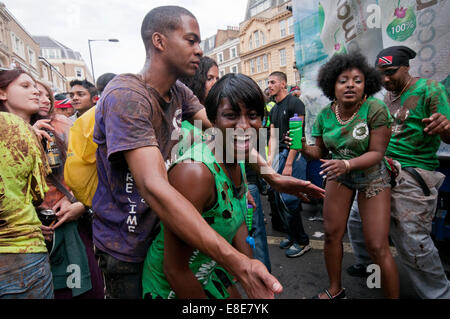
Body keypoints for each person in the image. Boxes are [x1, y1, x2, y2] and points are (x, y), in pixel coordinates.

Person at [93, 5, 324, 299]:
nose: (200, 51)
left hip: (163, 233)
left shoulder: (178, 92)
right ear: (159, 41)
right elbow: (153, 186)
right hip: (126, 246)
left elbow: (228, 132)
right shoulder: (126, 96)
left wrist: (272, 177)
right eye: (191, 41)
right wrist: (236, 261)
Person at [142, 73, 270, 298]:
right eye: (231, 116)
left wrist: (252, 272)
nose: (244, 126)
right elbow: (174, 270)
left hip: (209, 272)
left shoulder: (236, 156)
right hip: (173, 288)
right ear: (213, 120)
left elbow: (236, 218)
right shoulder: (195, 173)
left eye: (253, 115)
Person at [348, 46, 450, 298]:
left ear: (406, 67)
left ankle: (438, 294)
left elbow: (447, 132)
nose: (385, 79)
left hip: (413, 173)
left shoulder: (430, 89)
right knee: (356, 220)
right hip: (379, 169)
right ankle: (368, 266)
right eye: (380, 73)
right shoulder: (384, 97)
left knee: (412, 240)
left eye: (391, 72)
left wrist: (446, 127)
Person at [301, 51, 399, 299]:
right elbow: (319, 151)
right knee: (332, 235)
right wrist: (302, 146)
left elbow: (377, 153)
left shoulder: (374, 109)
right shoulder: (325, 115)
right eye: (343, 80)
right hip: (339, 174)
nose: (350, 85)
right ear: (332, 84)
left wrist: (346, 164)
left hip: (372, 177)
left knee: (377, 246)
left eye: (357, 80)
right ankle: (335, 290)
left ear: (367, 83)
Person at [32, 80, 104, 299]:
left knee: (84, 286)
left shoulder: (62, 125)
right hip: (30, 235)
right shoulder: (14, 134)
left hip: (69, 220)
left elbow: (86, 168)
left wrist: (79, 203)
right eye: (33, 92)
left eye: (46, 95)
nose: (42, 99)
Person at [0, 68, 53, 299]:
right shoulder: (18, 129)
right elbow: (38, 193)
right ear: (2, 93)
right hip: (20, 250)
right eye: (25, 86)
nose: (35, 92)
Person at [267, 71, 311, 258]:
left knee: (290, 200)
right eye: (268, 83)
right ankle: (292, 236)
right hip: (279, 155)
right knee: (278, 199)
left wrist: (289, 162)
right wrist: (269, 161)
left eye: (273, 82)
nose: (269, 85)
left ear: (283, 84)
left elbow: (296, 135)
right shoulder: (274, 109)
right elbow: (272, 137)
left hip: (293, 155)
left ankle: (302, 241)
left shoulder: (294, 103)